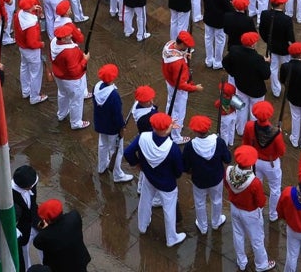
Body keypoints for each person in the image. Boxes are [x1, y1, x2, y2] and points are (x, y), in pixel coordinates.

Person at [123, 111, 188, 247]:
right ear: (167, 129)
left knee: (145, 201)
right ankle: (171, 238)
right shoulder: (173, 148)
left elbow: (128, 152)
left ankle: (142, 226)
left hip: (149, 177)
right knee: (169, 210)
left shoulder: (142, 137)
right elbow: (178, 171)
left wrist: (137, 164)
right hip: (167, 184)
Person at [225, 145, 276, 272]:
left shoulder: (229, 170)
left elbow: (227, 185)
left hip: (235, 208)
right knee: (257, 239)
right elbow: (261, 202)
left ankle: (241, 262)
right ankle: (261, 264)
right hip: (250, 212)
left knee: (238, 235)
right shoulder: (254, 182)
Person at [183, 114, 231, 234]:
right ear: (208, 129)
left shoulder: (189, 146)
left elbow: (185, 165)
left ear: (194, 130)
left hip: (199, 180)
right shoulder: (218, 141)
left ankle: (202, 226)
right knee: (217, 200)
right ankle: (216, 222)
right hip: (216, 178)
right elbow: (227, 159)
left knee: (199, 202)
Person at [92, 64, 133, 182]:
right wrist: (121, 127)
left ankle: (101, 166)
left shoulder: (96, 86)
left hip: (100, 124)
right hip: (112, 128)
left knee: (102, 145)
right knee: (116, 150)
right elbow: (117, 114)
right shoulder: (113, 95)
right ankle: (117, 175)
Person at [34, 198, 92, 272]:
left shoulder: (45, 235)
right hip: (79, 259)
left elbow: (36, 243)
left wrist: (43, 228)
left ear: (48, 220)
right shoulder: (74, 216)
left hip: (61, 267)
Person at [12, 164, 39, 269]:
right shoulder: (11, 194)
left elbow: (33, 203)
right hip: (23, 228)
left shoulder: (32, 181)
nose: (32, 188)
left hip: (35, 219)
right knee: (24, 253)